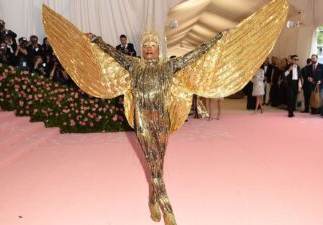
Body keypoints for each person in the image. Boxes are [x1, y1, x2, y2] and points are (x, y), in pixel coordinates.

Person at [43, 0, 288, 224]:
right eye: (146, 46)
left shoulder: (169, 66)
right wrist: (95, 39)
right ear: (141, 48)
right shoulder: (133, 65)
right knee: (154, 163)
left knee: (157, 164)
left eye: (153, 45)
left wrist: (217, 39)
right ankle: (166, 205)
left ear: (159, 48)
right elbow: (112, 53)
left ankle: (152, 197)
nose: (149, 49)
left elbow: (195, 54)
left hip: (162, 120)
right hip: (142, 121)